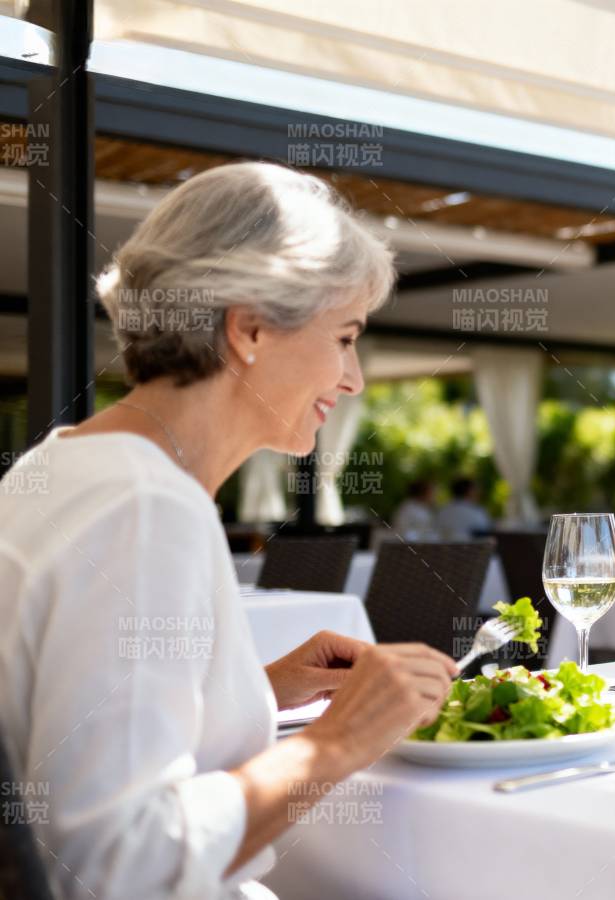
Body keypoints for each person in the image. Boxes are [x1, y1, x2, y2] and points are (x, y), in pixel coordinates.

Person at [0, 162, 457, 899]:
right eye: (344, 337)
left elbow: (67, 732)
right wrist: (336, 745)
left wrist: (260, 688)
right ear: (248, 329)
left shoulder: (60, 469)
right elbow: (117, 861)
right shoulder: (146, 508)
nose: (354, 379)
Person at [436, 476, 491, 541]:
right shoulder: (476, 512)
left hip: (444, 549)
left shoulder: (443, 511)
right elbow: (486, 531)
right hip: (472, 549)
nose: (479, 492)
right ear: (470, 491)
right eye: (476, 489)